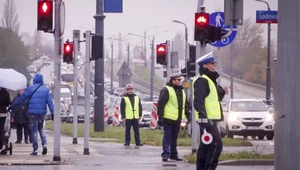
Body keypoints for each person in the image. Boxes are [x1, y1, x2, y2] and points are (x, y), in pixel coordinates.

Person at [193, 52, 225, 170]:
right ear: (204, 66)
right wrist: (204, 118)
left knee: (205, 147)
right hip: (207, 119)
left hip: (210, 119)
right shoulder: (202, 80)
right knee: (216, 145)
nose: (214, 66)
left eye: (214, 63)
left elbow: (215, 98)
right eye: (211, 64)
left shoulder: (209, 79)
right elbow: (198, 101)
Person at [11, 73, 54, 155]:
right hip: (42, 113)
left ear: (34, 80)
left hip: (32, 113)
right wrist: (53, 113)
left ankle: (35, 149)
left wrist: (12, 106)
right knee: (41, 129)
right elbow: (50, 103)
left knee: (34, 130)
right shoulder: (46, 90)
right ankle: (44, 144)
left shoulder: (30, 89)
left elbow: (21, 99)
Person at [157, 71, 191, 162]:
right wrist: (160, 118)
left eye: (180, 79)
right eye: (177, 80)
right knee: (167, 137)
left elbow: (186, 105)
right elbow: (161, 104)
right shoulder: (166, 90)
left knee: (174, 138)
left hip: (177, 118)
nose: (179, 81)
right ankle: (165, 154)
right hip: (168, 118)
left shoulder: (182, 91)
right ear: (172, 80)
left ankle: (173, 154)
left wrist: (188, 116)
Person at [0, 87, 11, 155]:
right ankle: (3, 145)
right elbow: (8, 103)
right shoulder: (6, 93)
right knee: (2, 130)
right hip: (3, 113)